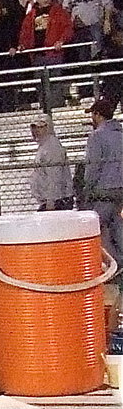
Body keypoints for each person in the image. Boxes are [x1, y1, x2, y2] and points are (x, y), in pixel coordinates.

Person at [80, 97, 123, 278]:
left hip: (103, 190)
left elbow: (93, 166)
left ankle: (115, 264)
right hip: (121, 189)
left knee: (96, 229)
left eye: (93, 114)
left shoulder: (96, 136)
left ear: (98, 115)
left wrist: (86, 190)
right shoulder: (121, 134)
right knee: (118, 226)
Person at [28, 115, 73, 210]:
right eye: (34, 127)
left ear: (48, 127)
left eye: (40, 127)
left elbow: (54, 175)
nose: (36, 130)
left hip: (57, 200)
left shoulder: (52, 146)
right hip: (51, 199)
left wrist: (51, 200)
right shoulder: (44, 145)